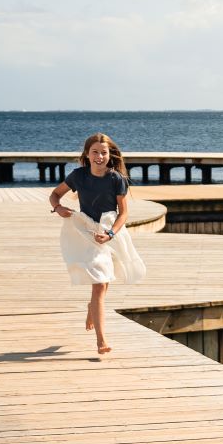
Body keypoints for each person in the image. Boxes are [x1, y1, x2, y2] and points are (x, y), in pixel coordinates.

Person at [49, 133, 144, 356]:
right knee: (100, 283)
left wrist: (110, 234)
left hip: (110, 229)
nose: (99, 156)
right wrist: (58, 208)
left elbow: (124, 213)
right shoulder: (78, 176)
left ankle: (92, 307)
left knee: (105, 277)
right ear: (87, 154)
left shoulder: (116, 179)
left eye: (103, 152)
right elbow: (55, 194)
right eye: (95, 152)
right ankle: (101, 341)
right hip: (86, 231)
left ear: (110, 155)